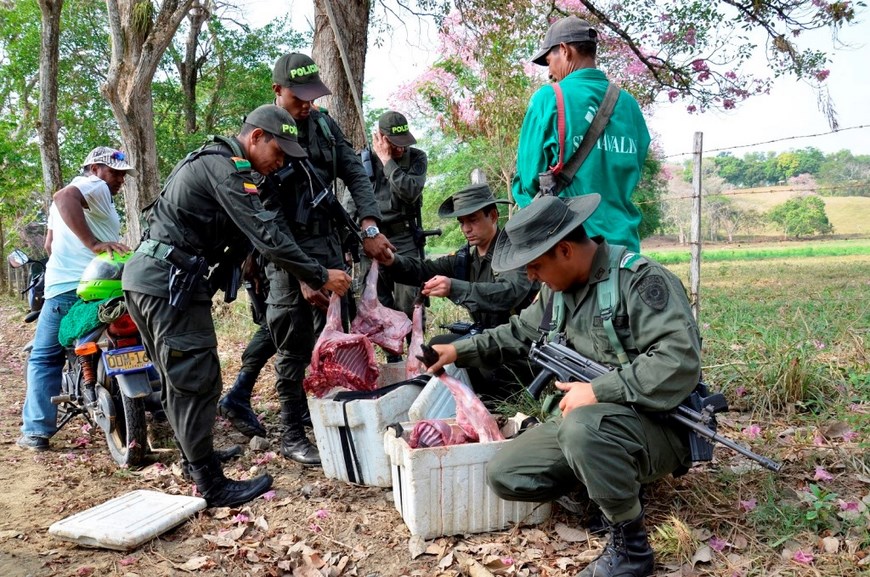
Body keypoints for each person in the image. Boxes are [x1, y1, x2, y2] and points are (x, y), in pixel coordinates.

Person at [423, 195, 702, 577]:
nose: (532, 277)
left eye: (536, 266)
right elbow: (520, 331)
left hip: (658, 423)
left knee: (583, 426)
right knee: (506, 473)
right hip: (592, 423)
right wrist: (456, 350)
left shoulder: (639, 281)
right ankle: (608, 481)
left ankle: (631, 548)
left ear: (566, 250)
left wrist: (600, 391)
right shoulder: (557, 290)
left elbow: (679, 362)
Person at [123, 104, 353, 507]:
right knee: (197, 379)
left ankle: (197, 459)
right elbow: (264, 233)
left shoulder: (226, 167)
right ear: (257, 137)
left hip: (159, 281)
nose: (279, 163)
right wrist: (318, 274)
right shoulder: (224, 167)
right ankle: (211, 485)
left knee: (181, 379)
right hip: (166, 283)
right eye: (278, 153)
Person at [253, 52, 392, 466]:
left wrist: (368, 225)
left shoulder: (325, 126)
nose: (307, 105)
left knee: (336, 337)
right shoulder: (261, 135)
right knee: (294, 343)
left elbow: (355, 172)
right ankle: (292, 430)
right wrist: (301, 273)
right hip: (287, 257)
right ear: (277, 91)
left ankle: (326, 413)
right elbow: (267, 219)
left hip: (329, 246)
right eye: (299, 98)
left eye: (313, 96)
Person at [17, 147, 135, 451]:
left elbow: (49, 244)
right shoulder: (92, 185)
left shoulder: (92, 193)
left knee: (44, 357)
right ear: (94, 168)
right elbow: (63, 196)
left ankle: (36, 432)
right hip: (98, 284)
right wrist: (93, 243)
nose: (120, 179)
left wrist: (88, 245)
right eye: (114, 172)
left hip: (70, 286)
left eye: (123, 174)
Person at [374, 183, 538, 399]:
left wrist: (455, 287)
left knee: (480, 363)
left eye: (473, 220)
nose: (466, 229)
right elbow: (424, 270)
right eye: (462, 222)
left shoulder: (514, 252)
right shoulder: (466, 258)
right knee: (434, 348)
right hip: (485, 338)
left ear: (494, 216)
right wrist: (393, 261)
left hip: (518, 347)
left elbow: (508, 293)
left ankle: (494, 401)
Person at [512, 16, 651, 252]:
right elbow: (634, 169)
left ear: (564, 51)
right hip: (625, 250)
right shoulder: (629, 105)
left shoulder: (549, 99)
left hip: (572, 252)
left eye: (549, 60)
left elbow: (527, 182)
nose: (550, 73)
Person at [359, 111, 427, 328]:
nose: (400, 148)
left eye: (403, 143)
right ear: (381, 138)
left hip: (404, 239)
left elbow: (410, 191)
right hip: (371, 238)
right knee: (377, 304)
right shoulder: (363, 160)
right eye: (394, 143)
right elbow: (352, 203)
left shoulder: (416, 157)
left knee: (410, 302)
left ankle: (415, 355)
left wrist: (388, 161)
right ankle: (392, 357)